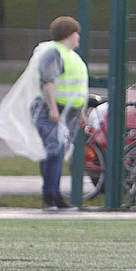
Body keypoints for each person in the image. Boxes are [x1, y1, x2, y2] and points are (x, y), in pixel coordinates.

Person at [32, 17, 88, 210]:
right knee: (54, 150)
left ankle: (54, 195)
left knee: (58, 152)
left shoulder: (71, 56)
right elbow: (46, 81)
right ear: (70, 34)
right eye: (76, 33)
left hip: (69, 113)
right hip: (54, 111)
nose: (78, 37)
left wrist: (80, 114)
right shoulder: (54, 53)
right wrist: (53, 109)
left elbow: (77, 88)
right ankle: (50, 197)